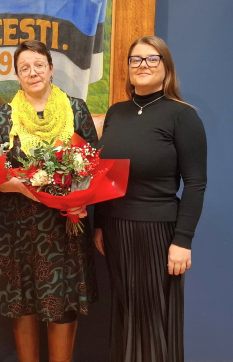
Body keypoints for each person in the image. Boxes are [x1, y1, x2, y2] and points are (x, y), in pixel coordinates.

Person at [0, 40, 97, 362]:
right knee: (23, 305)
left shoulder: (76, 110)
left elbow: (94, 165)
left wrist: (83, 198)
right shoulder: (4, 116)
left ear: (51, 69)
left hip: (64, 229)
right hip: (16, 230)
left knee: (63, 305)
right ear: (17, 76)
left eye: (39, 65)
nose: (33, 73)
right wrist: (15, 186)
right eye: (25, 68)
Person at [93, 35, 207, 362]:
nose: (142, 65)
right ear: (128, 68)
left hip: (158, 233)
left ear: (166, 67)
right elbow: (104, 175)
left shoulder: (182, 116)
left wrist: (182, 240)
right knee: (126, 314)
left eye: (152, 58)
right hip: (116, 230)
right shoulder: (116, 113)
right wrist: (100, 224)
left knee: (154, 319)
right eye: (136, 59)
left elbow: (196, 184)